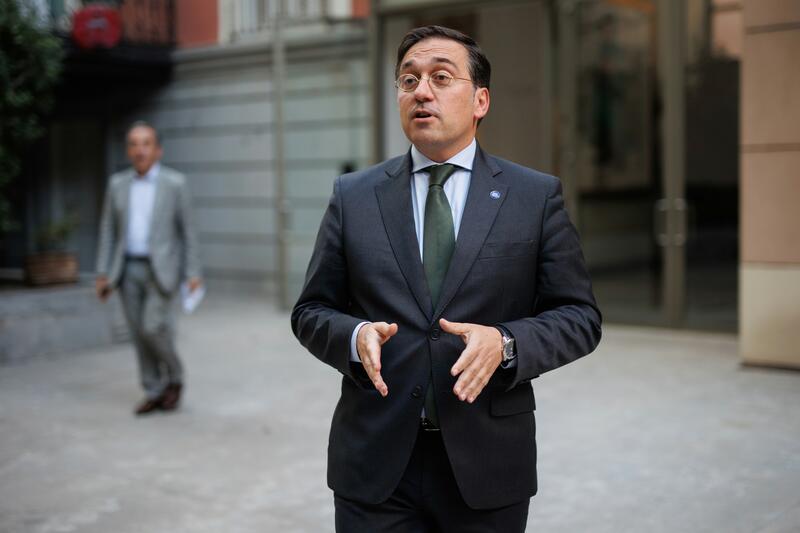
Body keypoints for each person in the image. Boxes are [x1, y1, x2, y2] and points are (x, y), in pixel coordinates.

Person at [291, 25, 601, 532]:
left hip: (487, 464)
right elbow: (310, 311)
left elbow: (580, 318)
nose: (421, 91)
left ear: (480, 100)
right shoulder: (354, 196)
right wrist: (354, 335)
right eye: (408, 80)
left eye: (440, 77)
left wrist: (505, 342)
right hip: (374, 465)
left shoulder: (533, 197)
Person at [95, 121, 202, 416]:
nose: (139, 150)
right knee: (137, 334)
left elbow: (188, 231)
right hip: (127, 269)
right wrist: (102, 272)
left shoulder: (175, 183)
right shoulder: (117, 185)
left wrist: (193, 272)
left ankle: (175, 376)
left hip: (162, 270)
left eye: (146, 143)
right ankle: (153, 389)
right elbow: (108, 230)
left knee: (152, 327)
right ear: (128, 151)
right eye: (133, 144)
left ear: (158, 150)